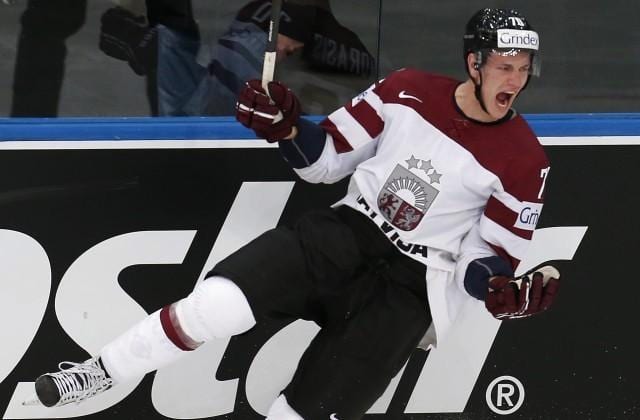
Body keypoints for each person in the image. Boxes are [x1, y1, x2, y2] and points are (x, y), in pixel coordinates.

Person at [30, 8, 560, 419]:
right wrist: (287, 129)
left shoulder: (525, 160)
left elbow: (487, 254)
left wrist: (497, 287)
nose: (514, 80)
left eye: (522, 70)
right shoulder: (406, 91)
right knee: (216, 305)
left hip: (412, 288)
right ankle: (99, 371)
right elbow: (325, 161)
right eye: (504, 67)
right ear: (474, 63)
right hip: (346, 234)